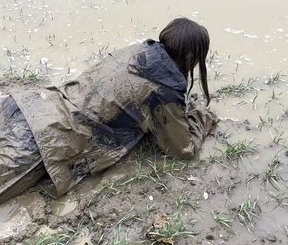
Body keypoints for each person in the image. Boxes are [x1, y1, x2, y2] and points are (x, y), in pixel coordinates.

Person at [0, 17, 217, 203]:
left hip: (32, 105)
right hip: (47, 141)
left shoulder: (139, 50)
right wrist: (201, 115)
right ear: (192, 58)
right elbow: (184, 150)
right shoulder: (165, 88)